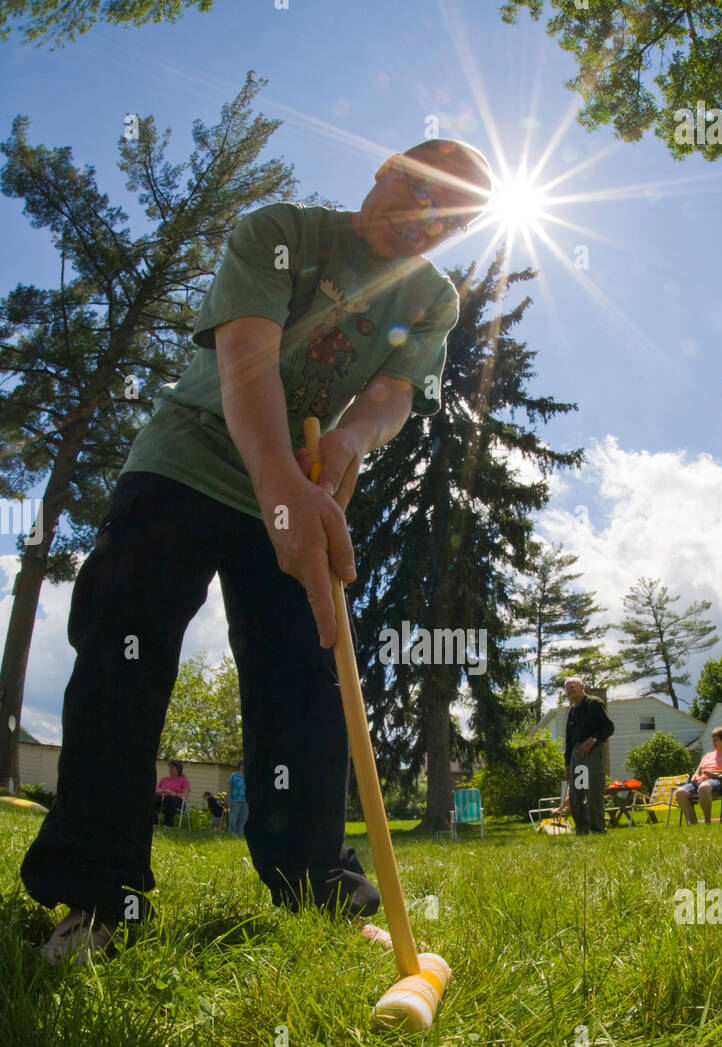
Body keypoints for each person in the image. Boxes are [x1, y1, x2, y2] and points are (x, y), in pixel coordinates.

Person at [23, 138, 493, 963]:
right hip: (192, 459)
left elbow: (390, 396)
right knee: (125, 646)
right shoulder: (281, 233)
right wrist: (275, 474)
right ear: (385, 170)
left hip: (301, 485)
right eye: (422, 194)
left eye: (452, 219)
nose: (429, 223)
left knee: (305, 676)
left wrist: (351, 439)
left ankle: (320, 893)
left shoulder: (430, 300)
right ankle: (98, 896)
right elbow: (246, 362)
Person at [556, 677, 615, 835]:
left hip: (593, 752)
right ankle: (582, 830)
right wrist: (567, 763)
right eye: (567, 689)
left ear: (582, 687)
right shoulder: (572, 711)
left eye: (573, 687)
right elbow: (569, 740)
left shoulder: (594, 704)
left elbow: (608, 728)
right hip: (577, 755)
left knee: (593, 791)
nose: (570, 691)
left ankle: (598, 830)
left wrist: (593, 739)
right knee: (577, 793)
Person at [675, 727, 722, 825]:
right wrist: (695, 776)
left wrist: (715, 774)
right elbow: (698, 771)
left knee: (704, 787)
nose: (713, 743)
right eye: (712, 740)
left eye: (716, 740)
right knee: (680, 792)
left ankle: (707, 822)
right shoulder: (707, 755)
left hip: (719, 782)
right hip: (699, 782)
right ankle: (693, 823)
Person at [154, 759, 191, 827]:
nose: (170, 769)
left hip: (176, 800)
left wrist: (174, 794)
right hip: (162, 797)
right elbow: (156, 791)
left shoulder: (184, 781)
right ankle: (154, 823)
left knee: (170, 798)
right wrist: (162, 791)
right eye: (170, 767)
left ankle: (167, 824)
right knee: (150, 799)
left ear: (178, 769)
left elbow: (185, 795)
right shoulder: (164, 779)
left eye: (172, 767)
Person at [227, 761, 248, 835]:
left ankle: (241, 833)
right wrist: (228, 798)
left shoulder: (248, 776)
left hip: (246, 800)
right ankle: (232, 833)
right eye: (243, 765)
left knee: (243, 819)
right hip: (235, 799)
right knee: (233, 818)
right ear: (240, 766)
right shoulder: (234, 775)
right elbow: (229, 787)